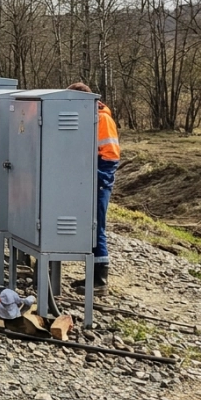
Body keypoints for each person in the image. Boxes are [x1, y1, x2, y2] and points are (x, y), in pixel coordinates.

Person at [67, 82, 120, 296]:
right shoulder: (86, 117)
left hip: (99, 178)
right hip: (88, 177)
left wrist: (97, 177)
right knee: (89, 226)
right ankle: (92, 275)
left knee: (96, 227)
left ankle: (100, 281)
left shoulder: (102, 119)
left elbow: (111, 155)